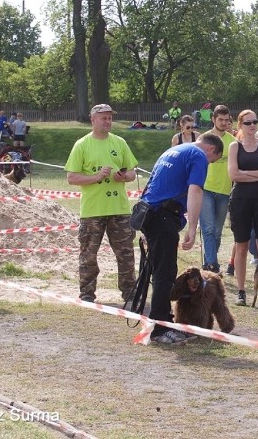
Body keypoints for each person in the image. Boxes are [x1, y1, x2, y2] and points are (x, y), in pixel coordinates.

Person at [139, 133, 224, 344]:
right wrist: (193, 227)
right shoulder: (199, 155)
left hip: (149, 212)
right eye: (212, 161)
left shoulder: (173, 151)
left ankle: (164, 321)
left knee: (161, 271)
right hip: (164, 217)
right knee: (165, 274)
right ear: (212, 150)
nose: (209, 164)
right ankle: (159, 329)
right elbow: (195, 190)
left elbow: (151, 184)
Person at [65, 104, 138, 304]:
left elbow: (132, 173)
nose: (107, 122)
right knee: (88, 255)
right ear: (93, 120)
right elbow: (71, 178)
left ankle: (130, 294)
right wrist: (96, 177)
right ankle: (87, 294)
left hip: (119, 209)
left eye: (109, 118)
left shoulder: (120, 142)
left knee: (126, 255)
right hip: (92, 211)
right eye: (103, 118)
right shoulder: (82, 144)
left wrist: (124, 176)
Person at [228, 110, 258, 306]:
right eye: (248, 123)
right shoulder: (234, 146)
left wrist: (246, 172)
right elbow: (233, 175)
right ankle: (241, 291)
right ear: (240, 125)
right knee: (241, 245)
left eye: (255, 122)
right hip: (240, 199)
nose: (252, 126)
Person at [200, 105, 236, 274]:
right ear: (213, 119)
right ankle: (213, 265)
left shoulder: (233, 141)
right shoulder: (203, 139)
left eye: (226, 120)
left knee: (217, 232)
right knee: (207, 229)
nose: (223, 123)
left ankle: (208, 263)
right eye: (220, 119)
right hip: (205, 188)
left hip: (224, 190)